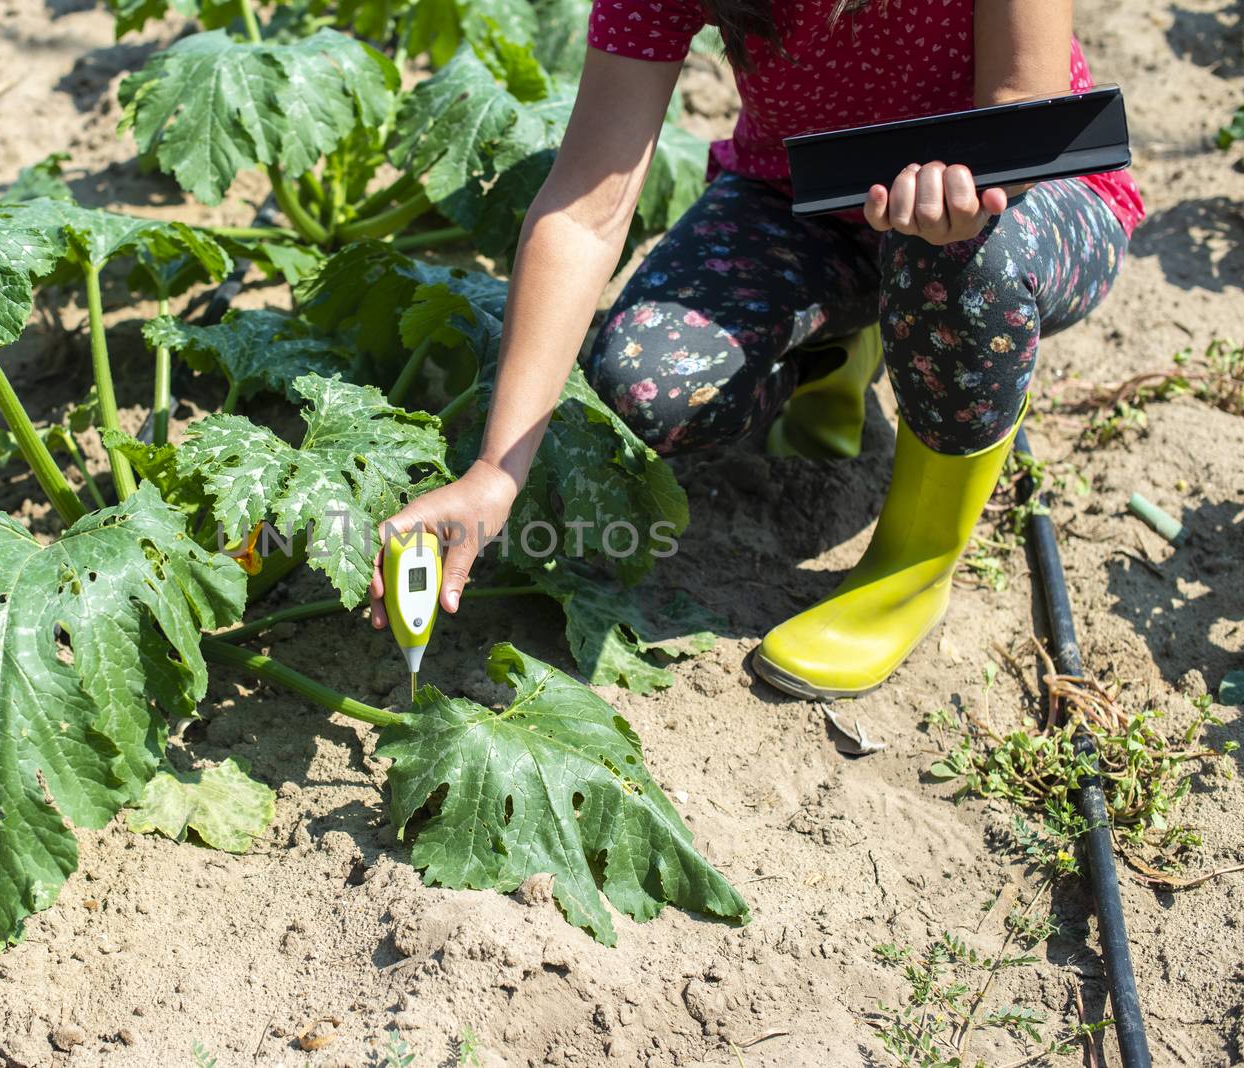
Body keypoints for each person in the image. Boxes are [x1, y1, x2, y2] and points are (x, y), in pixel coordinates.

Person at [369, 0, 1143, 698]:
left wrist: (963, 198)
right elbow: (584, 213)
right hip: (803, 197)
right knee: (651, 384)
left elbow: (1024, 112)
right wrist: (494, 473)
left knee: (960, 263)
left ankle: (912, 567)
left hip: (1019, 198)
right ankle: (842, 351)